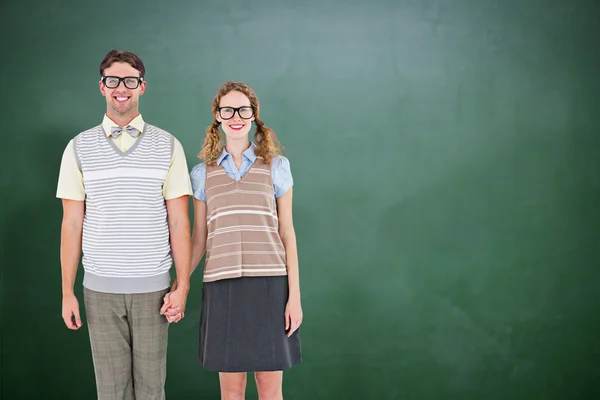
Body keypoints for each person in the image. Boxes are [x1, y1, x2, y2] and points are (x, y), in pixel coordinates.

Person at [56, 49, 192, 400]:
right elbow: (71, 224)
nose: (121, 88)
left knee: (151, 390)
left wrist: (183, 284)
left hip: (155, 290)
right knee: (111, 391)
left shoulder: (168, 145)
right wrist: (67, 291)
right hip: (99, 290)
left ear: (142, 87)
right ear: (102, 87)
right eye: (112, 80)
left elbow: (179, 221)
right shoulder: (78, 148)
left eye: (130, 81)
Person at [162, 81, 303, 399]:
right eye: (228, 109)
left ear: (254, 115)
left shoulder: (277, 168)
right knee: (231, 391)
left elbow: (287, 234)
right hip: (221, 287)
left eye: (243, 109)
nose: (235, 116)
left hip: (271, 286)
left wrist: (294, 297)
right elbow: (199, 239)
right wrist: (179, 284)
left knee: (269, 390)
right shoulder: (202, 173)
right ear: (217, 115)